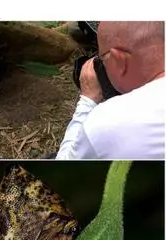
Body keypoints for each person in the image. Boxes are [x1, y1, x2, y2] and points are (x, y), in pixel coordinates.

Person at [56, 21, 165, 159]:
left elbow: (65, 165)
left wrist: (87, 101)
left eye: (103, 58)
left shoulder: (107, 122)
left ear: (119, 61)